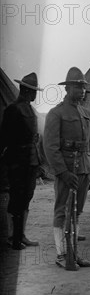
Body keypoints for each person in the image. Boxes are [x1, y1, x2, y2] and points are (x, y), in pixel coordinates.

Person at [43, 67, 90, 269]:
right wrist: (62, 172)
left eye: (83, 87)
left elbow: (89, 144)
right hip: (67, 169)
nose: (81, 90)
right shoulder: (56, 113)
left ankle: (73, 250)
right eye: (77, 86)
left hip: (83, 168)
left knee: (77, 211)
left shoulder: (85, 112)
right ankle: (62, 254)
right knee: (62, 210)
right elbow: (50, 147)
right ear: (67, 88)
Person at [0, 72, 43, 250]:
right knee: (16, 199)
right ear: (25, 90)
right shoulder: (13, 109)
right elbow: (5, 138)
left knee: (26, 197)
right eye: (33, 91)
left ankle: (21, 235)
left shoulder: (30, 109)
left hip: (31, 161)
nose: (35, 95)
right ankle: (12, 237)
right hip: (18, 161)